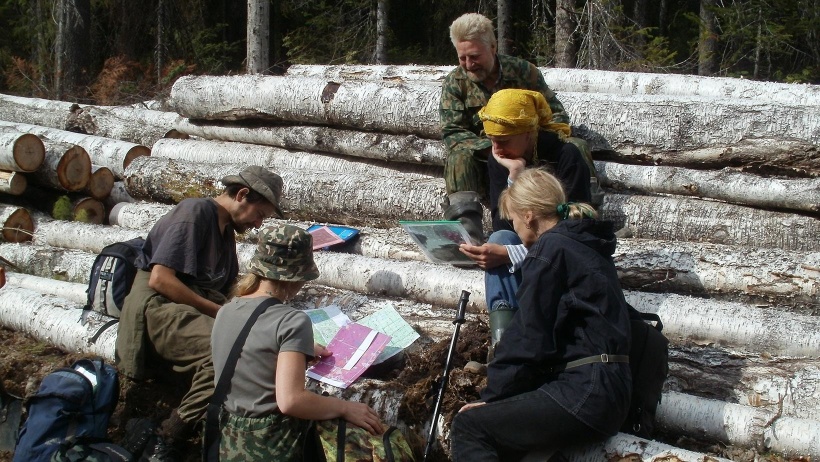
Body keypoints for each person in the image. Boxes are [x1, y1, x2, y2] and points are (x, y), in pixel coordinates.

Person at [449, 168, 632, 461]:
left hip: (586, 391)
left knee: (470, 427)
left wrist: (492, 398)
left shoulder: (550, 249)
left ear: (528, 215)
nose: (515, 230)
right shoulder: (586, 244)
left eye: (513, 221)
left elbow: (529, 335)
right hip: (611, 389)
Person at [115, 165, 285, 460]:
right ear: (243, 195)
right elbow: (161, 279)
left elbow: (228, 289)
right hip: (159, 305)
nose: (258, 224)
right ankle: (168, 436)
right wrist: (223, 315)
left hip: (188, 306)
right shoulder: (194, 213)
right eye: (260, 215)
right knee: (228, 355)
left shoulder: (225, 232)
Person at [211, 224, 384, 461]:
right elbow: (291, 401)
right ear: (297, 276)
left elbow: (250, 353)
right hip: (271, 444)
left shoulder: (226, 310)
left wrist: (293, 350)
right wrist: (345, 408)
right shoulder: (291, 321)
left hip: (229, 440)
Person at [458, 88, 592, 353]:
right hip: (529, 249)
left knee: (503, 247)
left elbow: (571, 234)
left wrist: (512, 254)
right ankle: (503, 345)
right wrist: (513, 173)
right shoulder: (501, 159)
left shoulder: (567, 157)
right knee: (498, 239)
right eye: (492, 139)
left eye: (504, 139)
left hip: (564, 262)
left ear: (529, 132)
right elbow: (503, 223)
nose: (496, 148)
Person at [439, 12, 576, 243]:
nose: (469, 65)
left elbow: (555, 114)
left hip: (531, 150)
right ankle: (467, 236)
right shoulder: (456, 83)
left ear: (492, 47)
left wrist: (527, 142)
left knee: (575, 147)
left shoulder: (524, 72)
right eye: (462, 58)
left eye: (474, 56)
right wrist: (495, 147)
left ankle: (581, 219)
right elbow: (453, 133)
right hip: (484, 157)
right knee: (457, 159)